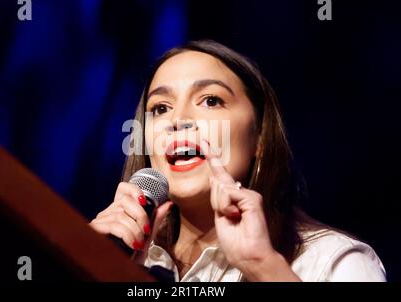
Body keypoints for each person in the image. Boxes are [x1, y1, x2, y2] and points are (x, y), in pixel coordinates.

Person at [90, 40, 386, 282]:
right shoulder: (123, 255)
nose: (178, 120)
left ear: (259, 138)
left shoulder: (333, 262)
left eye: (211, 100)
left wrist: (262, 267)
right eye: (161, 108)